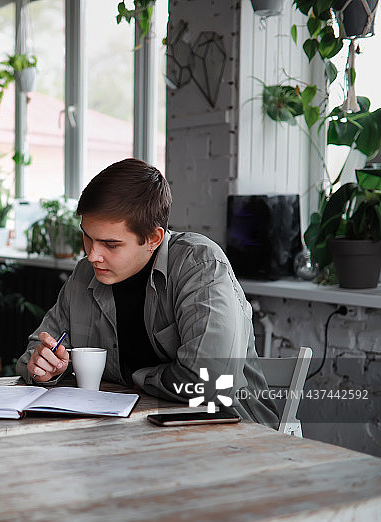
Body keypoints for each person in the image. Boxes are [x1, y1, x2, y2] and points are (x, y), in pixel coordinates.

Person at [17, 158, 278, 426]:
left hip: (232, 431)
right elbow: (33, 353)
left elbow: (210, 384)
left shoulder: (200, 265)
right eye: (87, 237)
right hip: (130, 433)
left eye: (111, 244)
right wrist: (44, 368)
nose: (93, 255)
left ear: (153, 238)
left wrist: (138, 377)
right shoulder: (84, 275)